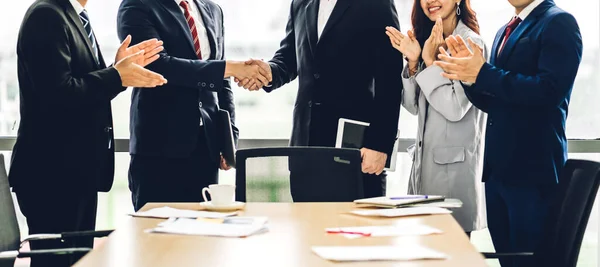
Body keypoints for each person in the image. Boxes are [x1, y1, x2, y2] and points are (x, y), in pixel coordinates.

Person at [9, 0, 167, 266]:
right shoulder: (46, 15)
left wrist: (118, 69)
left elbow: (84, 85)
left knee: (77, 260)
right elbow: (57, 93)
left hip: (74, 170)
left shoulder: (75, 15)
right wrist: (116, 75)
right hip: (51, 173)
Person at [435, 0, 582, 266]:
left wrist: (483, 72)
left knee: (533, 261)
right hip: (498, 175)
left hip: (533, 173)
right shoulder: (504, 30)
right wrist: (469, 78)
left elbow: (549, 92)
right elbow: (495, 102)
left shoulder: (559, 22)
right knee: (509, 261)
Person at [237, 0, 404, 198]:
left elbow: (391, 79)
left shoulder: (377, 4)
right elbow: (289, 58)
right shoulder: (299, 3)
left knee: (359, 227)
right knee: (307, 227)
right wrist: (269, 72)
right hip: (305, 148)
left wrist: (380, 145)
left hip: (356, 153)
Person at [117, 0, 270, 211]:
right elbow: (158, 66)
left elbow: (222, 82)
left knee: (205, 233)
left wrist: (228, 137)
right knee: (154, 234)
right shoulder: (137, 6)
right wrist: (230, 68)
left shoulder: (213, 10)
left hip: (205, 148)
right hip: (159, 148)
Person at [385, 0, 487, 237]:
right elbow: (413, 106)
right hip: (425, 171)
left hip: (454, 175)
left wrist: (430, 62)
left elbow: (454, 108)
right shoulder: (428, 40)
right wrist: (413, 62)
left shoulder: (470, 43)